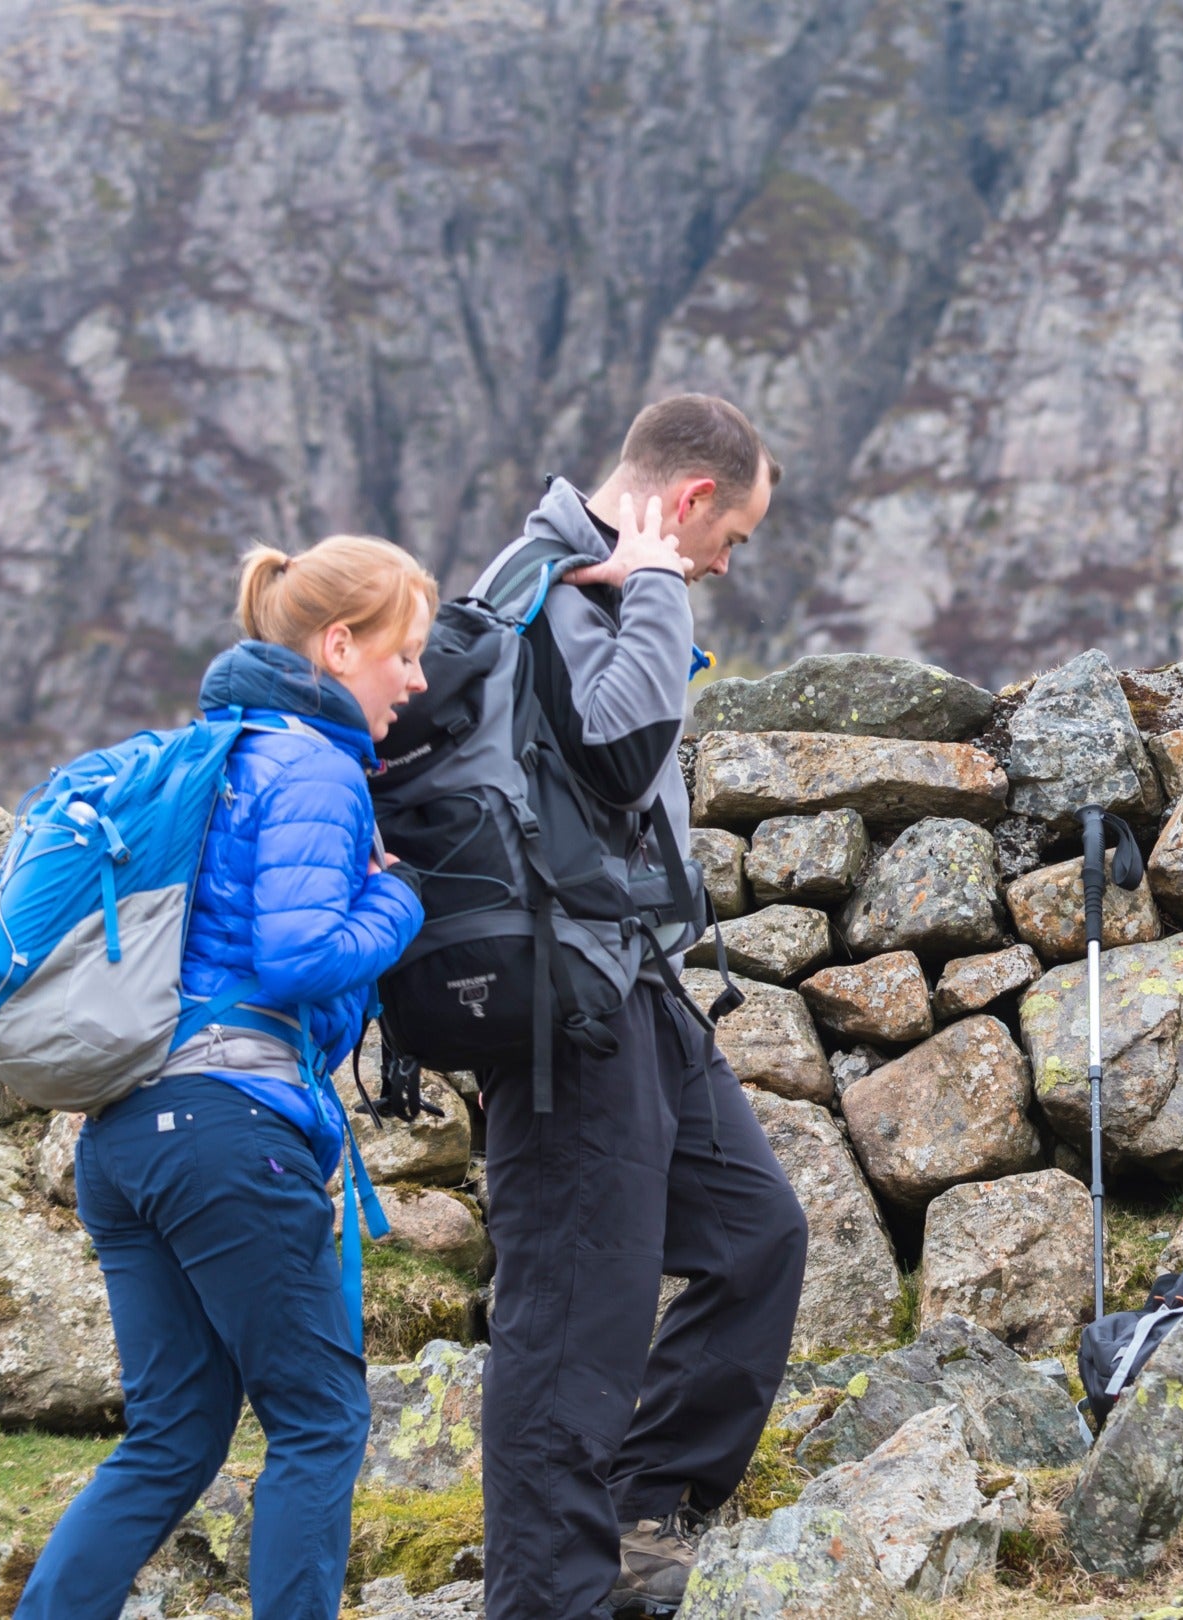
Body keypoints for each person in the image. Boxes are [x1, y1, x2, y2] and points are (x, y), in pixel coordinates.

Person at [16, 536, 435, 1620]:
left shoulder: (212, 752)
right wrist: (400, 901)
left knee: (175, 1436)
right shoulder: (313, 767)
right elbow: (295, 958)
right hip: (226, 1135)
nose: (417, 681)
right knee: (319, 1420)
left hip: (124, 1141)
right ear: (340, 646)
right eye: (406, 654)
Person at [463, 395, 808, 1618]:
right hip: (567, 1010)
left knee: (756, 1236)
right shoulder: (556, 582)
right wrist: (659, 581)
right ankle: (548, 1600)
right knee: (572, 1321)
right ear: (693, 502)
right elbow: (616, 750)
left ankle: (644, 1521)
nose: (728, 565)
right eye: (734, 538)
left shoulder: (598, 586)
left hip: (637, 985)